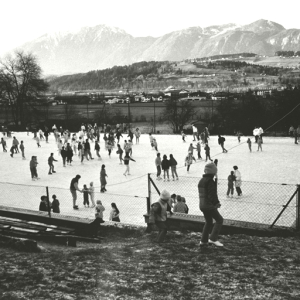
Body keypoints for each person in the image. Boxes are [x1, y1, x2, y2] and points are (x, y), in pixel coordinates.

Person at [198, 162, 224, 247]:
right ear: (213, 172)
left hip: (202, 205)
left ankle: (203, 241)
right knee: (219, 220)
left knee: (208, 222)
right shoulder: (210, 181)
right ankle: (213, 239)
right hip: (209, 205)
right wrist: (216, 203)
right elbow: (212, 194)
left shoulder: (201, 181)